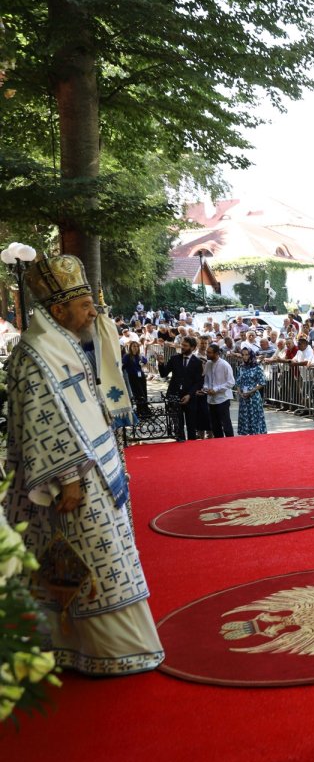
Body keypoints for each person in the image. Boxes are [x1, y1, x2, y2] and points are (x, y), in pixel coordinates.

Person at [4, 253, 163, 675]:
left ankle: (94, 647)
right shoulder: (36, 354)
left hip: (94, 471)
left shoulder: (63, 343)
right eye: (85, 304)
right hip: (72, 482)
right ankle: (104, 651)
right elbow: (43, 421)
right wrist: (68, 479)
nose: (94, 310)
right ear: (59, 310)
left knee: (104, 557)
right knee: (92, 560)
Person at [160, 334, 206, 440]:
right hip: (174, 395)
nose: (182, 347)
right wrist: (161, 364)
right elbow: (164, 374)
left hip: (190, 397)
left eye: (185, 345)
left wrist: (189, 395)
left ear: (192, 348)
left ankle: (192, 449)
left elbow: (198, 382)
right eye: (182, 345)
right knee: (178, 425)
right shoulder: (174, 358)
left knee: (191, 425)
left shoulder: (197, 362)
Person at [201, 344, 235, 438]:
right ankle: (218, 443)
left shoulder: (225, 365)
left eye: (209, 352)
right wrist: (205, 388)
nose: (207, 354)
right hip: (211, 399)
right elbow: (207, 379)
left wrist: (216, 389)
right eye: (207, 352)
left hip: (222, 399)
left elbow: (231, 382)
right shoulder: (208, 363)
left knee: (226, 423)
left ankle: (230, 442)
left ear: (216, 353)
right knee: (215, 425)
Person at [235, 346, 268, 436]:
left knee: (254, 417)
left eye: (247, 355)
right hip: (243, 398)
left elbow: (262, 383)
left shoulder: (257, 367)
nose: (245, 357)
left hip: (253, 397)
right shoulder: (241, 367)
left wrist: (251, 391)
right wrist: (240, 393)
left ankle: (256, 436)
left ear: (251, 355)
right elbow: (237, 382)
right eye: (243, 355)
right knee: (245, 417)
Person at [122, 340, 150, 415]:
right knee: (138, 393)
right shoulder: (127, 356)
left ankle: (145, 409)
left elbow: (146, 362)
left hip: (141, 376)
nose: (136, 348)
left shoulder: (139, 356)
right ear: (130, 347)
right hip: (132, 376)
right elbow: (123, 365)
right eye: (134, 346)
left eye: (137, 346)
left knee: (143, 392)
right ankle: (140, 410)